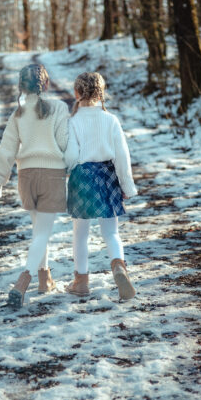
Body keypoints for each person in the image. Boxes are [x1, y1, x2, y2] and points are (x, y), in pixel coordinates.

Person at [0, 63, 70, 309]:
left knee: (38, 230)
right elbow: (66, 143)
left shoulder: (19, 113)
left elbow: (6, 152)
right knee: (42, 233)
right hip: (52, 176)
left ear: (20, 87)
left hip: (26, 177)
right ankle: (23, 281)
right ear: (45, 85)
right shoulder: (58, 108)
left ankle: (45, 278)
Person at [63, 72, 137, 301]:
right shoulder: (111, 120)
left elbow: (70, 156)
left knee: (80, 234)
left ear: (76, 94)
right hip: (107, 176)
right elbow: (122, 157)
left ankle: (81, 281)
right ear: (101, 93)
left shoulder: (72, 122)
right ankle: (119, 268)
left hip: (82, 178)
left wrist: (68, 171)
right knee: (111, 232)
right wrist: (127, 185)